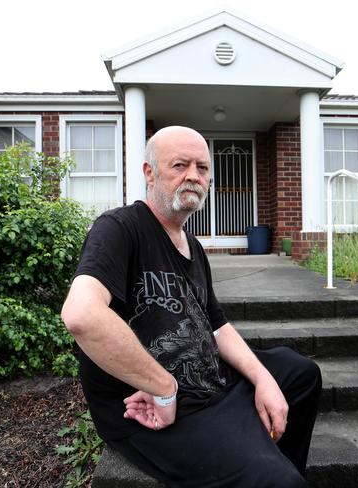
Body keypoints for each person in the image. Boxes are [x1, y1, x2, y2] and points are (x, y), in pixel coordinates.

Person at [61, 126, 321, 487]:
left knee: (299, 372)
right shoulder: (120, 228)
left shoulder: (193, 246)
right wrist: (163, 388)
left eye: (202, 167)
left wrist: (263, 378)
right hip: (149, 408)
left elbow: (216, 325)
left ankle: (278, 465)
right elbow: (81, 315)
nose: (193, 176)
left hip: (206, 381)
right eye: (179, 165)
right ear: (149, 173)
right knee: (277, 483)